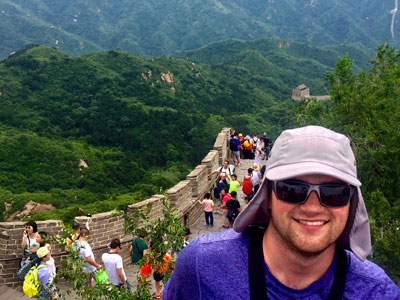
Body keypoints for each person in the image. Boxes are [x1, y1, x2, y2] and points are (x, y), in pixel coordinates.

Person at [163, 126, 400, 299]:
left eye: (333, 193)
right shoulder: (201, 266)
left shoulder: (377, 292)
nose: (313, 207)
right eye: (292, 189)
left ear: (351, 202)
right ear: (267, 197)